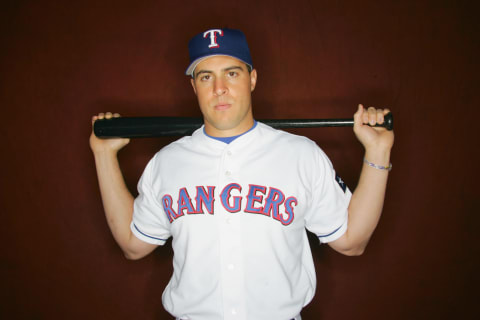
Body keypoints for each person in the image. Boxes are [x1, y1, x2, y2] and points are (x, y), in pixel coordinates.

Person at [89, 28, 394, 320]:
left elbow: (352, 242)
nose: (219, 88)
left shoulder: (301, 155)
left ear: (252, 79)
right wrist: (103, 155)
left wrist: (378, 151)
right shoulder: (167, 163)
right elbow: (133, 245)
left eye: (231, 73)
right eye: (206, 76)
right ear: (194, 87)